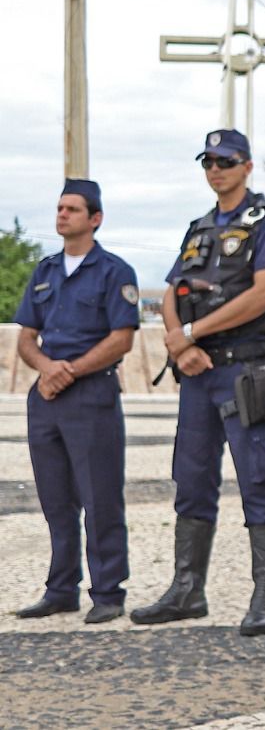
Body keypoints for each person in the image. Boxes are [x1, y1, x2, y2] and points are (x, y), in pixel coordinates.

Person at [133, 129, 265, 635]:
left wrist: (192, 333)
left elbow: (264, 295)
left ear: (247, 166)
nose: (215, 169)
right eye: (208, 161)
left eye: (225, 160)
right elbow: (170, 292)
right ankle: (187, 589)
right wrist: (180, 342)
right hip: (198, 375)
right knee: (191, 480)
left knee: (258, 479)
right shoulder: (200, 227)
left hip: (244, 369)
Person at [11, 180, 139, 623]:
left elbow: (121, 338)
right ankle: (61, 589)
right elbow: (26, 338)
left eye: (72, 209)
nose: (62, 215)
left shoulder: (114, 271)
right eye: (60, 207)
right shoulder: (44, 271)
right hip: (47, 397)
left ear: (95, 218)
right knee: (55, 499)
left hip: (91, 394)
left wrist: (69, 371)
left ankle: (108, 591)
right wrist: (48, 369)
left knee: (100, 496)